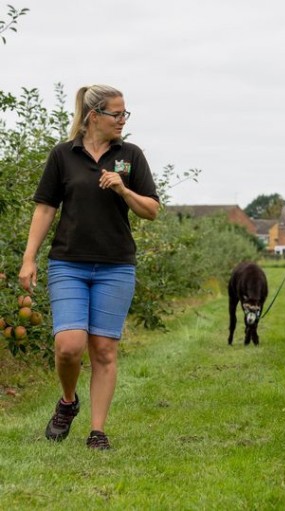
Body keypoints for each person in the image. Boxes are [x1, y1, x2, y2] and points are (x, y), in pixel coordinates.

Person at [18, 84, 160, 450]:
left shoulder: (130, 155)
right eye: (117, 114)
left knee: (103, 350)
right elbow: (46, 208)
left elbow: (152, 211)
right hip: (68, 263)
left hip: (116, 266)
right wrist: (29, 258)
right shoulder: (63, 155)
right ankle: (68, 402)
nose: (123, 120)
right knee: (69, 345)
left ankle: (97, 432)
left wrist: (123, 190)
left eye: (126, 113)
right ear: (93, 115)